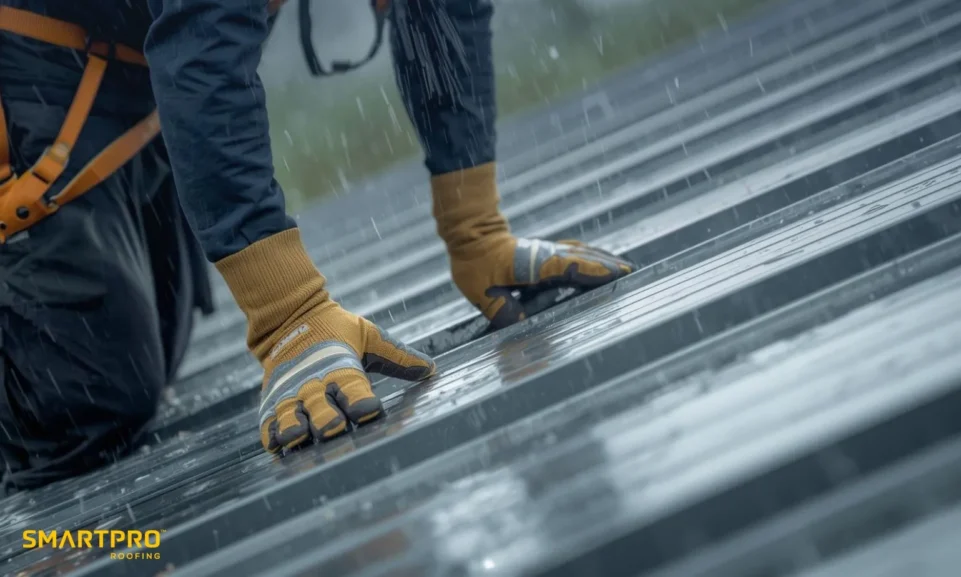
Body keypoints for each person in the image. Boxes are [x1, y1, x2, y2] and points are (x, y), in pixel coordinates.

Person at [0, 0, 635, 492]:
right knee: (83, 405)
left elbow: (442, 12)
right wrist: (289, 316)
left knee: (142, 356)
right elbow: (204, 50)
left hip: (123, 66)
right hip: (28, 57)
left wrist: (477, 229)